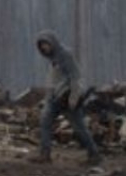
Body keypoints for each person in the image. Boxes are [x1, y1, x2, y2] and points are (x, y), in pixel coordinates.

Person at [31, 30, 101, 166]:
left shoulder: (65, 55)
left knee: (79, 127)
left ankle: (94, 154)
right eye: (42, 45)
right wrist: (48, 97)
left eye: (46, 44)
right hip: (54, 98)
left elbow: (75, 77)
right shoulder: (52, 58)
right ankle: (45, 154)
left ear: (53, 43)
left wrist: (74, 99)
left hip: (67, 97)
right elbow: (54, 79)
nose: (44, 48)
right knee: (45, 122)